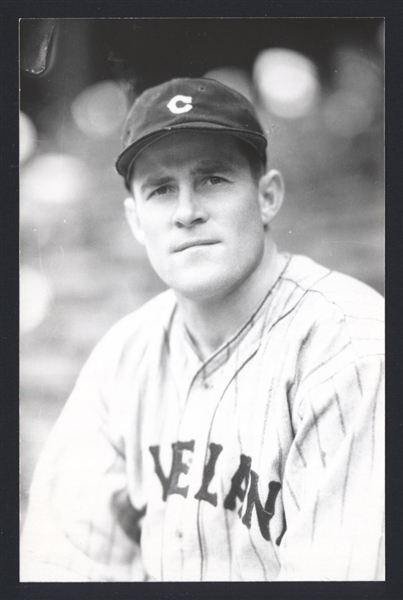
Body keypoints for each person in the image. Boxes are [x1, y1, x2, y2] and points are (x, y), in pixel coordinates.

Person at [20, 77, 384, 582]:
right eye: (162, 189)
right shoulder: (123, 357)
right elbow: (62, 563)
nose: (187, 212)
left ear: (268, 196)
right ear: (135, 220)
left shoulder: (348, 347)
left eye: (213, 178)